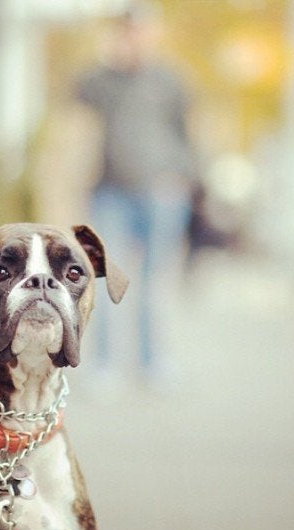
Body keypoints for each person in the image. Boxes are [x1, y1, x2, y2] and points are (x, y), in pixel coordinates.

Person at [76, 3, 197, 390]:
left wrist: (182, 177)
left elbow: (188, 134)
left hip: (161, 193)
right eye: (129, 31)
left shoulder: (171, 80)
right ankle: (105, 365)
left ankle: (153, 362)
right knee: (108, 277)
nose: (136, 39)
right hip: (110, 191)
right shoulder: (100, 79)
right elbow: (76, 105)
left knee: (153, 282)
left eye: (142, 31)